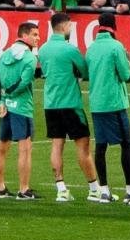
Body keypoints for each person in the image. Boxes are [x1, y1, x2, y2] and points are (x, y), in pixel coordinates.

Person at [39, 11, 101, 202]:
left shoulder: (42, 49)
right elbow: (85, 71)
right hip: (71, 104)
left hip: (51, 103)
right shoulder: (70, 49)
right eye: (71, 26)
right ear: (65, 26)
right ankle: (94, 189)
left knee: (57, 145)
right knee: (83, 145)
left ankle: (61, 189)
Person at [85, 12, 130, 203]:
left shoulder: (91, 48)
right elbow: (124, 74)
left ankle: (104, 189)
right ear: (114, 26)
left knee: (100, 146)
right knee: (126, 144)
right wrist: (128, 60)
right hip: (114, 102)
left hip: (97, 102)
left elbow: (87, 72)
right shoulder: (116, 46)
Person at [0, 20, 40, 200]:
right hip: (22, 108)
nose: (38, 38)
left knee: (2, 148)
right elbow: (24, 82)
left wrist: (0, 101)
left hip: (5, 108)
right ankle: (23, 189)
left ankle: (0, 188)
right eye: (34, 34)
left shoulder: (4, 55)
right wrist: (9, 95)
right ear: (24, 35)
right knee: (25, 149)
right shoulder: (29, 58)